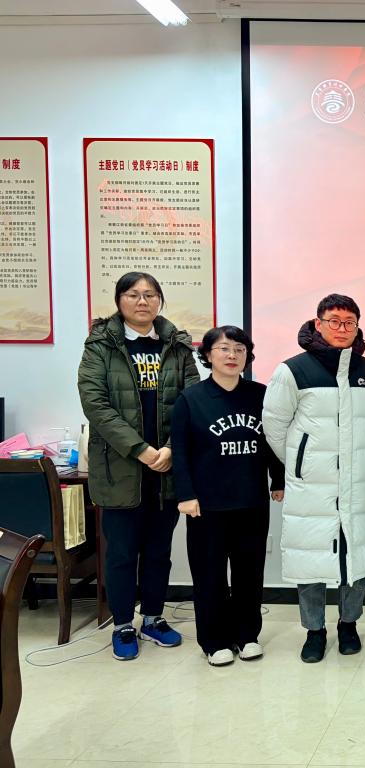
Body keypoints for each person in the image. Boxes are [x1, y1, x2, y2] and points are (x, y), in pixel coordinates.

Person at [77, 271, 200, 660]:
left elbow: (193, 400)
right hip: (120, 467)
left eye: (150, 295)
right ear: (119, 301)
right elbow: (95, 404)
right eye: (133, 294)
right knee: (122, 553)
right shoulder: (101, 345)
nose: (142, 301)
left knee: (159, 550)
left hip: (166, 468)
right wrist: (141, 450)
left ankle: (153, 618)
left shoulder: (176, 345)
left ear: (159, 300)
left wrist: (171, 448)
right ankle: (122, 625)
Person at [263, 294, 365, 663]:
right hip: (310, 485)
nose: (342, 328)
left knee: (356, 555)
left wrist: (353, 455)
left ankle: (349, 624)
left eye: (350, 322)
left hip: (357, 483)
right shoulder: (292, 370)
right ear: (318, 324)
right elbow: (274, 426)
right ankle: (314, 630)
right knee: (310, 559)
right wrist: (302, 463)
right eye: (334, 321)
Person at [171, 326, 284, 666]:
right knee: (210, 576)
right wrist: (185, 494)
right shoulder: (191, 399)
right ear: (208, 355)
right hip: (207, 505)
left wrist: (278, 479)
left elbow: (273, 442)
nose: (232, 355)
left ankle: (247, 635)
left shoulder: (261, 395)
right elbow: (181, 452)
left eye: (239, 349)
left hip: (251, 501)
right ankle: (214, 640)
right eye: (223, 348)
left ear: (248, 356)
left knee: (250, 573)